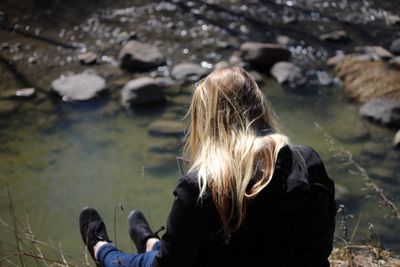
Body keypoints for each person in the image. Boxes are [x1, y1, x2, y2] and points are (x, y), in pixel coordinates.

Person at [79, 66, 336, 267]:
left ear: (208, 120)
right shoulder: (308, 162)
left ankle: (101, 248)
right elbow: (323, 242)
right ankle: (149, 242)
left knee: (139, 263)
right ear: (260, 107)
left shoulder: (202, 185)